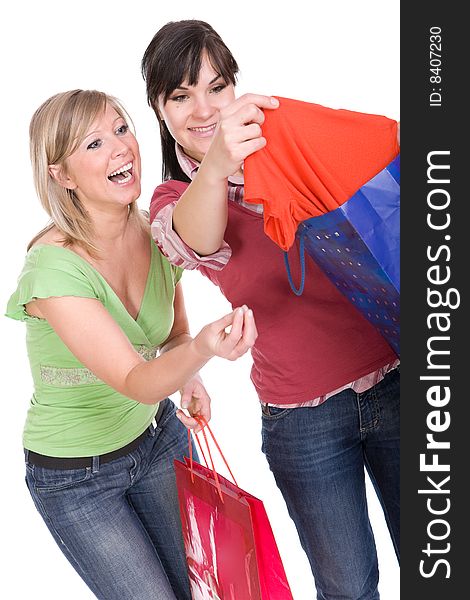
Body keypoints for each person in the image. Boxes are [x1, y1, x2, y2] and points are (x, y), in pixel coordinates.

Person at [141, 20, 400, 600]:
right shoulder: (171, 202)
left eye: (216, 87)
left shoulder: (289, 141)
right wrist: (220, 162)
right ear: (159, 110)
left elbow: (391, 159)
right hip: (303, 420)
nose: (203, 108)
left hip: (398, 383)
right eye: (180, 96)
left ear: (237, 89)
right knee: (348, 588)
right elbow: (200, 239)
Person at [6, 89, 257, 600]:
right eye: (94, 143)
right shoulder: (54, 269)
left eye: (122, 130)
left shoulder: (154, 233)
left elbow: (172, 335)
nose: (121, 148)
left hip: (158, 440)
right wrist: (206, 349)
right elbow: (135, 381)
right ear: (62, 175)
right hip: (78, 480)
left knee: (205, 589)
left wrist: (188, 370)